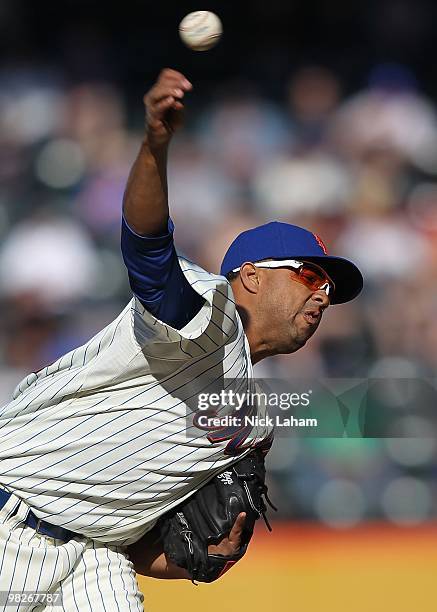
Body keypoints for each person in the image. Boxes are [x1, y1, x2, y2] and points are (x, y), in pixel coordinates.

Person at [0, 69, 363, 611]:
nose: (321, 297)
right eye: (309, 276)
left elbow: (153, 546)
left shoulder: (255, 423)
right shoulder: (206, 316)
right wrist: (155, 145)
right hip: (12, 517)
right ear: (253, 277)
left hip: (95, 558)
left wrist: (203, 557)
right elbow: (147, 249)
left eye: (329, 289)